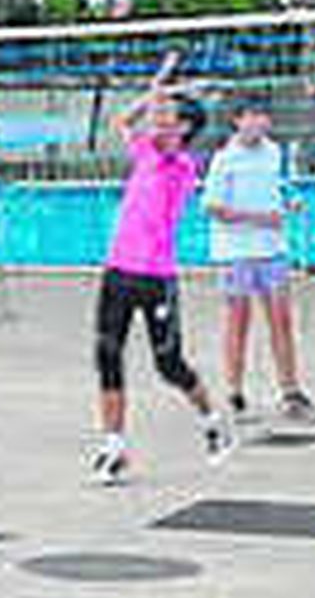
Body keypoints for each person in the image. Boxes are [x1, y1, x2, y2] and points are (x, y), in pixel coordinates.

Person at [91, 53, 233, 485]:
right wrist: (159, 84)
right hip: (118, 270)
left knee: (168, 364)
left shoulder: (180, 167)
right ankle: (114, 447)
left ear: (184, 128)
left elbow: (152, 123)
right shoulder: (146, 153)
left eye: (168, 117)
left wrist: (164, 87)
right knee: (107, 356)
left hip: (156, 279)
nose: (157, 121)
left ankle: (211, 420)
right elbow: (122, 120)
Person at [201, 97, 315, 424]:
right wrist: (259, 218)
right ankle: (235, 392)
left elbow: (277, 187)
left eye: (262, 116)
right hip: (235, 253)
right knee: (238, 322)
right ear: (237, 121)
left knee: (281, 320)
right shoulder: (224, 159)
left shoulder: (273, 153)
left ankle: (291, 392)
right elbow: (212, 208)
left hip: (272, 251)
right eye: (250, 117)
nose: (257, 123)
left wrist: (290, 199)